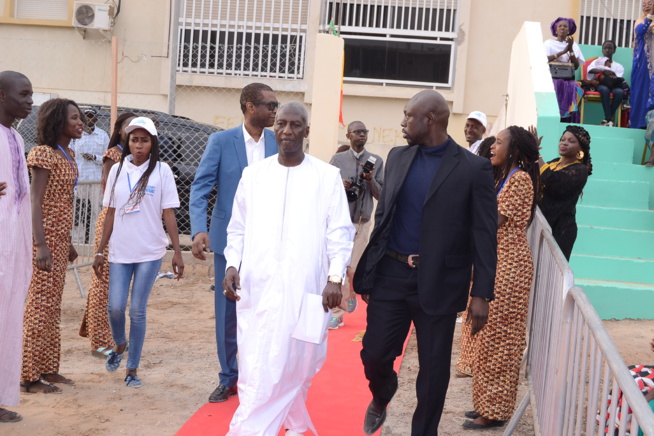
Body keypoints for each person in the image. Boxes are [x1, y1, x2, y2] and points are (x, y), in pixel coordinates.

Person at [354, 90, 498, 436]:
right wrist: (371, 272)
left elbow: (484, 232)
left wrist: (482, 293)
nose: (402, 122)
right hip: (391, 272)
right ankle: (382, 392)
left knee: (433, 371)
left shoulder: (473, 168)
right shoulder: (399, 156)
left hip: (441, 281)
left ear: (429, 119)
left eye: (408, 116)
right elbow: (385, 218)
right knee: (374, 355)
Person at [222, 102, 355, 435]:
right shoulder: (254, 175)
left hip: (308, 288)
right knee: (256, 363)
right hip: (257, 286)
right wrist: (231, 264)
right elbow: (237, 227)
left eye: (296, 125)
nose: (287, 131)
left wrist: (334, 278)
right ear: (274, 127)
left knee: (300, 361)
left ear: (306, 131)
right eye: (281, 124)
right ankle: (255, 429)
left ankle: (290, 425)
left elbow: (340, 233)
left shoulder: (326, 177)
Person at [189, 82, 279, 403]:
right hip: (229, 240)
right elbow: (200, 188)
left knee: (266, 309)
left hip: (269, 242)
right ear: (249, 106)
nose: (274, 111)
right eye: (270, 105)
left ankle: (261, 375)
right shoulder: (221, 141)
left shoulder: (278, 141)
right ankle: (229, 377)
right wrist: (199, 229)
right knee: (228, 310)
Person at [93, 117, 184, 388]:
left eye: (144, 140)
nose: (139, 145)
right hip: (120, 250)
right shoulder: (118, 170)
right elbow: (109, 212)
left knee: (137, 310)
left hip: (150, 251)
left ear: (152, 143)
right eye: (134, 140)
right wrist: (99, 251)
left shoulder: (163, 171)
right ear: (128, 142)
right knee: (115, 306)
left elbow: (168, 213)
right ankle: (120, 343)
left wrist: (177, 252)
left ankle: (132, 369)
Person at [459, 126, 540, 430]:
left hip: (509, 267)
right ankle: (486, 404)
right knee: (487, 338)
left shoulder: (518, 179)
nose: (492, 147)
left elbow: (494, 220)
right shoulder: (504, 178)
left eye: (499, 143)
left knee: (500, 340)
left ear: (515, 149)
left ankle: (494, 411)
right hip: (495, 262)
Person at [21, 98, 82, 393]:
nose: (80, 123)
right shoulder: (43, 154)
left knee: (53, 306)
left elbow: (63, 202)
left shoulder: (68, 153)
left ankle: (48, 367)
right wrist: (41, 244)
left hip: (58, 239)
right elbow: (36, 200)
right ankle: (29, 376)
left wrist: (67, 242)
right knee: (39, 306)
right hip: (43, 239)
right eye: (74, 118)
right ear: (58, 121)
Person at [80, 112, 136, 357]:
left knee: (117, 284)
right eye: (128, 126)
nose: (134, 131)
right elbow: (109, 189)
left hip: (131, 223)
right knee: (103, 282)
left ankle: (102, 334)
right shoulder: (113, 155)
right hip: (112, 220)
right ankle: (99, 342)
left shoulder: (141, 157)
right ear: (119, 129)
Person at [0, 71, 33, 423]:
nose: (29, 101)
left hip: (11, 246)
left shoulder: (15, 138)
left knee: (6, 323)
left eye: (31, 95)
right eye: (23, 94)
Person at [328, 121, 383, 329]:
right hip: (341, 222)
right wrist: (340, 186)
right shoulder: (338, 159)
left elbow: (381, 193)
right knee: (340, 266)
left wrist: (369, 180)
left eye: (365, 131)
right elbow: (327, 191)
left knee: (353, 268)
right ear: (349, 135)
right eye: (358, 132)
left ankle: (351, 291)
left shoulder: (375, 160)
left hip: (362, 221)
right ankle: (338, 312)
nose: (362, 134)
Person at [538, 125, 593, 260]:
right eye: (562, 139)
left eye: (571, 141)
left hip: (560, 229)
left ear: (581, 149)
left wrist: (536, 155)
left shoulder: (580, 170)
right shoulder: (554, 163)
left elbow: (551, 180)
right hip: (541, 224)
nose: (564, 142)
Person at [71, 108, 110, 244]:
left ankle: (94, 240)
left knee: (95, 211)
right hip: (80, 180)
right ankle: (78, 240)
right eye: (85, 117)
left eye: (91, 116)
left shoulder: (102, 135)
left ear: (96, 119)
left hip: (95, 180)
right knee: (79, 212)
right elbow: (69, 154)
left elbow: (107, 157)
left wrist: (94, 157)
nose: (88, 119)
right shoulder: (76, 135)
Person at [544, 17, 585, 122]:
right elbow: (543, 60)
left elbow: (575, 66)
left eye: (565, 26)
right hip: (551, 78)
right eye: (560, 26)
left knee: (575, 87)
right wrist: (562, 52)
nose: (562, 28)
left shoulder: (574, 45)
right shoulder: (548, 43)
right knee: (555, 85)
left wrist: (570, 49)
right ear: (555, 29)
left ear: (569, 30)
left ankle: (566, 117)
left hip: (568, 79)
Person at [586, 40, 626, 126]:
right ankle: (609, 118)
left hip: (615, 86)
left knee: (620, 92)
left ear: (614, 50)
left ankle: (607, 119)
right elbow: (590, 70)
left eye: (610, 48)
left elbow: (617, 79)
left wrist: (610, 75)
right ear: (602, 50)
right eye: (605, 48)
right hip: (601, 85)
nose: (607, 50)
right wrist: (603, 70)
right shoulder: (597, 62)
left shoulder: (618, 66)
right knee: (604, 90)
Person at [630, 1, 654, 130]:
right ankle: (640, 123)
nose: (646, 6)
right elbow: (639, 30)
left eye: (650, 3)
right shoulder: (641, 20)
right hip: (643, 64)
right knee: (642, 89)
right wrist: (649, 19)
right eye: (644, 4)